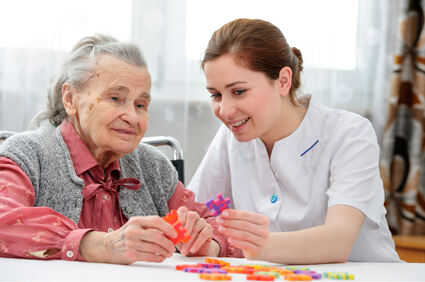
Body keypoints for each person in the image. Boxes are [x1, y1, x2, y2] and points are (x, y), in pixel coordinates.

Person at [0, 34, 233, 264]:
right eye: (115, 98)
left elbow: (217, 226)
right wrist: (100, 245)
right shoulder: (27, 154)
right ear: (70, 98)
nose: (132, 117)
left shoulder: (154, 167)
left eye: (141, 105)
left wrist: (206, 242)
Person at [188, 18, 401, 264]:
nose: (224, 111)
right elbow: (198, 213)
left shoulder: (350, 134)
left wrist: (256, 245)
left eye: (238, 92)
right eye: (215, 95)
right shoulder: (231, 136)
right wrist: (197, 237)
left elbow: (338, 242)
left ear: (283, 81)